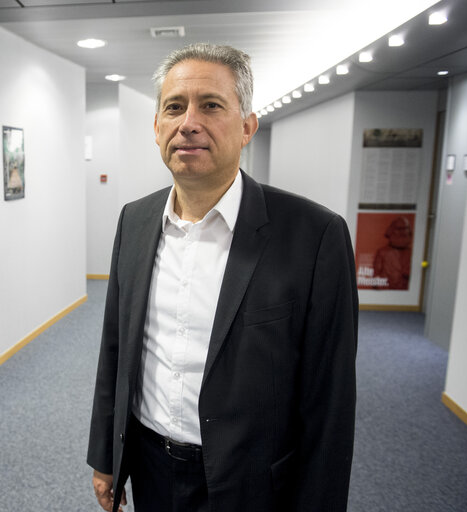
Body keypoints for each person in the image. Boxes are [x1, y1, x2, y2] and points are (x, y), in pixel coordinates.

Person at [87, 43, 358, 512]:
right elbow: (116, 348)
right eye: (174, 107)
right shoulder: (134, 220)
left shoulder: (315, 237)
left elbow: (329, 404)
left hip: (252, 482)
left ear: (247, 126)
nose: (188, 122)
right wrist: (105, 456)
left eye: (211, 105)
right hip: (150, 467)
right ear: (156, 128)